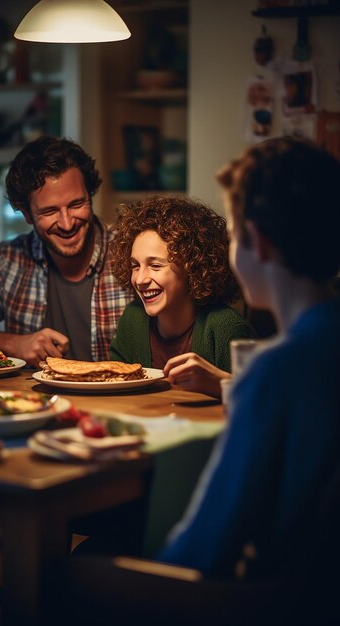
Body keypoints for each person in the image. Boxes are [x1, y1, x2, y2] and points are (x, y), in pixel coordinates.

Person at [158, 137, 340, 583]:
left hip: (282, 601)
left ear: (256, 242)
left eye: (233, 235)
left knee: (69, 578)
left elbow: (207, 544)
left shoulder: (275, 371)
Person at [0, 136, 133, 366]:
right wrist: (14, 344)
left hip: (124, 401)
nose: (66, 223)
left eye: (76, 204)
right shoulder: (9, 261)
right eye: (49, 211)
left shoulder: (132, 252)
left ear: (90, 195)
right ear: (26, 214)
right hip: (34, 401)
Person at [109, 196, 255, 381]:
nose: (140, 279)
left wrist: (219, 384)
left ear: (192, 267)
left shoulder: (226, 328)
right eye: (135, 266)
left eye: (155, 266)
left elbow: (266, 403)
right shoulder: (132, 319)